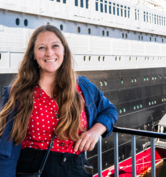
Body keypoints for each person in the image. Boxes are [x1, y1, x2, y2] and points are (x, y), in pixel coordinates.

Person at [0, 25, 118, 176]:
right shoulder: (18, 94)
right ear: (34, 55)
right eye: (42, 47)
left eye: (55, 46)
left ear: (64, 51)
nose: (49, 52)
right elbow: (6, 152)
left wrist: (96, 131)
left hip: (75, 169)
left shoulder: (82, 86)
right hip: (33, 171)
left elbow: (109, 110)